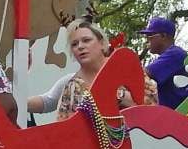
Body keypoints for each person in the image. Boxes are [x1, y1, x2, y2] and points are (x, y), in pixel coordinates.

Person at [26, 20, 157, 121]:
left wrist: (117, 95)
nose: (80, 47)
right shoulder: (72, 86)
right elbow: (63, 124)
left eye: (86, 40)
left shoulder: (127, 69)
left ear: (102, 43)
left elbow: (152, 109)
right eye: (74, 44)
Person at [139, 16, 188, 109]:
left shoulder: (175, 54)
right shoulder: (172, 54)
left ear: (163, 36)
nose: (147, 40)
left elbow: (142, 74)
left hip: (178, 116)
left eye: (149, 36)